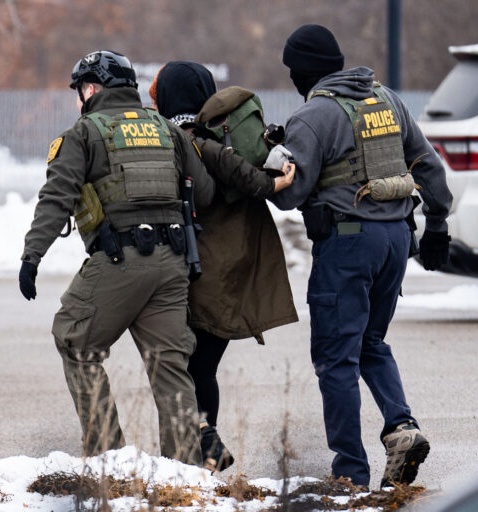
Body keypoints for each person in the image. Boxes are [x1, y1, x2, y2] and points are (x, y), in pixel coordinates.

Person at [268, 24, 453, 488]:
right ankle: (401, 427)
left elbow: (290, 194)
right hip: (397, 239)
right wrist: (438, 222)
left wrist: (271, 158)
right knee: (371, 341)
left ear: (301, 71)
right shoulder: (385, 99)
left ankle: (348, 474)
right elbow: (427, 163)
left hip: (349, 242)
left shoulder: (314, 115)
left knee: (336, 358)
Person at [19, 50, 218, 465]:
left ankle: (108, 460)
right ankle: (186, 474)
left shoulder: (83, 134)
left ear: (91, 88)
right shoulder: (166, 129)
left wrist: (32, 256)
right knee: (170, 365)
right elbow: (205, 193)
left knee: (74, 339)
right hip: (173, 263)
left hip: (120, 260)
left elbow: (57, 197)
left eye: (80, 90)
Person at [151, 61, 298, 471]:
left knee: (188, 368)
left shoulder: (184, 141)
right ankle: (200, 450)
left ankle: (201, 451)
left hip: (203, 272)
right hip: (235, 267)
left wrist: (270, 184)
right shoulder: (219, 136)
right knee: (202, 367)